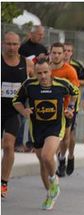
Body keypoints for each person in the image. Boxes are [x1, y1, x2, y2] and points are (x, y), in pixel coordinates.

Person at [13, 58, 79, 209]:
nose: (43, 76)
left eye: (45, 72)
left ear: (51, 71)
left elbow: (75, 92)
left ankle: (54, 180)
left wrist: (70, 108)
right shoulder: (29, 85)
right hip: (36, 128)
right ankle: (50, 193)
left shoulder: (62, 84)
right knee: (43, 162)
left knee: (47, 156)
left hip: (55, 126)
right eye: (39, 73)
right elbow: (16, 100)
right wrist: (23, 111)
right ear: (35, 73)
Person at [2, 31, 33, 198]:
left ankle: (3, 183)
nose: (12, 47)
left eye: (15, 44)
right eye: (8, 43)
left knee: (8, 145)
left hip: (14, 111)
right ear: (2, 44)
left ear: (19, 45)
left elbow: (36, 84)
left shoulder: (27, 64)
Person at [48, 42, 80, 178]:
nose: (56, 55)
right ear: (50, 53)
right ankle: (56, 160)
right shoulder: (46, 68)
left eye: (59, 53)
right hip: (48, 108)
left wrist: (71, 107)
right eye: (54, 53)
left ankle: (63, 158)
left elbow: (75, 92)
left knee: (65, 137)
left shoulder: (69, 70)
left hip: (66, 109)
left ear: (63, 55)